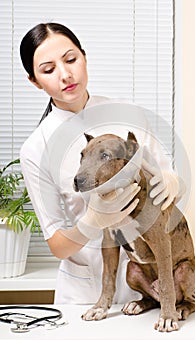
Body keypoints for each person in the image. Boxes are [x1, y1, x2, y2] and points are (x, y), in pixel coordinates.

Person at [19, 22, 183, 304]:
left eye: (71, 59)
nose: (65, 74)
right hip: (87, 291)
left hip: (146, 286)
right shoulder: (37, 148)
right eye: (48, 70)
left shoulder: (127, 114)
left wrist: (171, 181)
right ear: (34, 80)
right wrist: (92, 222)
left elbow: (166, 182)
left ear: (84, 57)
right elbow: (57, 245)